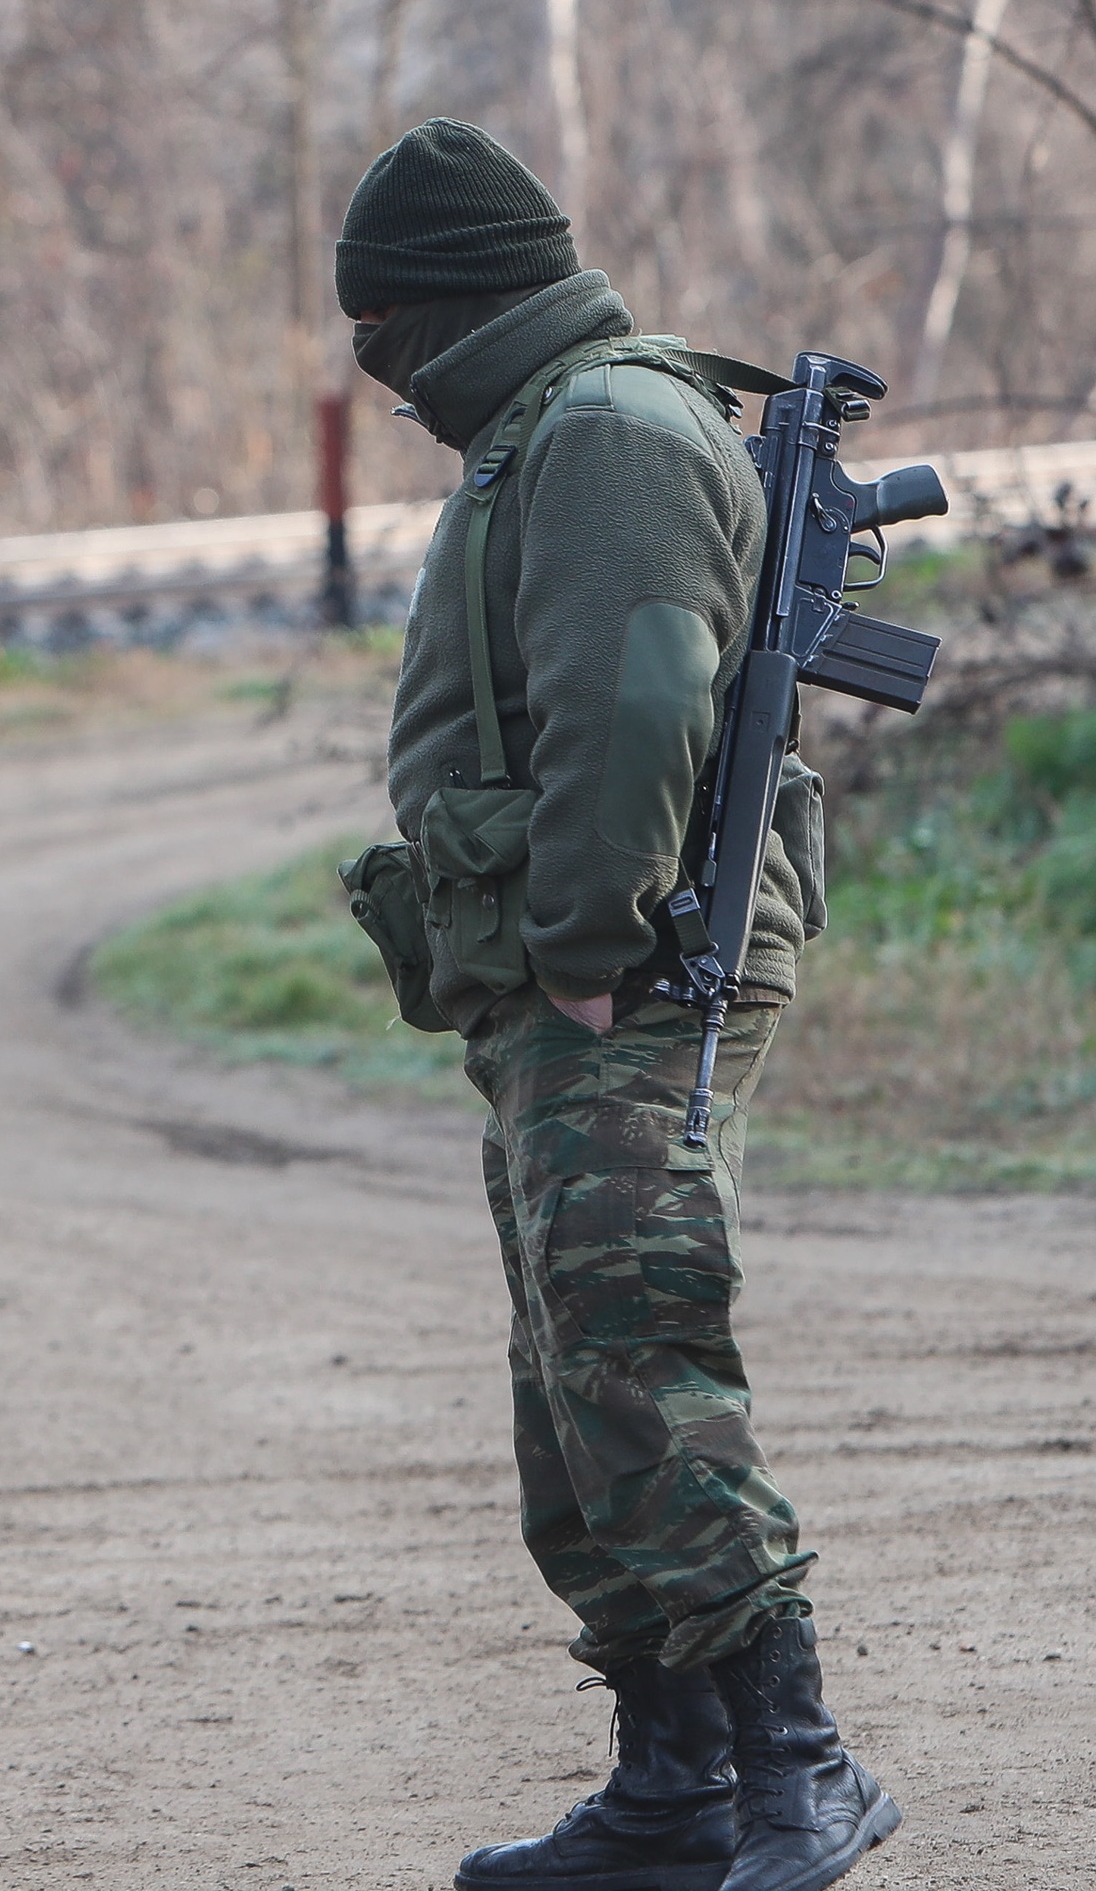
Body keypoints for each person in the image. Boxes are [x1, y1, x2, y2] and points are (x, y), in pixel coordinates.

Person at [339, 119, 895, 1891]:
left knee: (638, 1347)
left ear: (444, 307)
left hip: (628, 976)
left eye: (382, 335)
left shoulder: (605, 432)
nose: (382, 376)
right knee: (572, 1381)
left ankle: (798, 1765)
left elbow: (638, 702)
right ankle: (675, 1785)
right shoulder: (556, 426)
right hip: (569, 977)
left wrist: (581, 945)